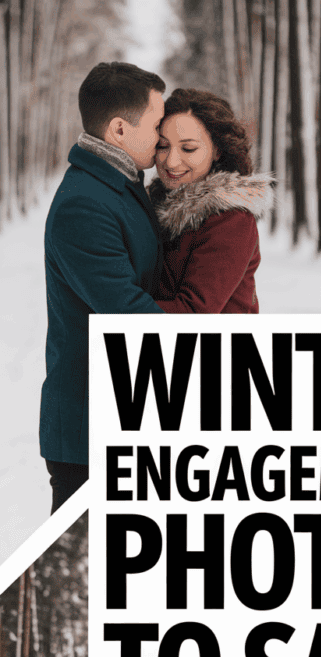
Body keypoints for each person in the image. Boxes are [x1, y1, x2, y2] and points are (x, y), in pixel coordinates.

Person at [41, 62, 166, 514]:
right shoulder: (85, 204)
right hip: (91, 434)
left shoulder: (117, 185)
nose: (162, 137)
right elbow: (129, 314)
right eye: (156, 124)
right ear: (119, 129)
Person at [149, 88, 274, 313]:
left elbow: (194, 311)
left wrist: (112, 310)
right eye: (163, 146)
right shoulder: (153, 204)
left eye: (188, 148)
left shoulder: (231, 219)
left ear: (217, 150)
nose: (171, 161)